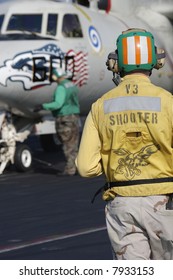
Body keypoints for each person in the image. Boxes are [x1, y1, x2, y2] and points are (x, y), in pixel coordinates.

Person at [75, 28, 173, 259]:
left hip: (122, 205)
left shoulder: (100, 106)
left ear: (116, 63)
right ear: (154, 62)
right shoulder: (168, 103)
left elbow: (85, 167)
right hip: (164, 203)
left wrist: (113, 163)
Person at [34, 68, 80, 176]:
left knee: (67, 144)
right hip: (74, 116)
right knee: (74, 143)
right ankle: (78, 166)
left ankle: (70, 169)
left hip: (64, 118)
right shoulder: (71, 85)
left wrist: (43, 106)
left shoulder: (61, 88)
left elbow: (58, 104)